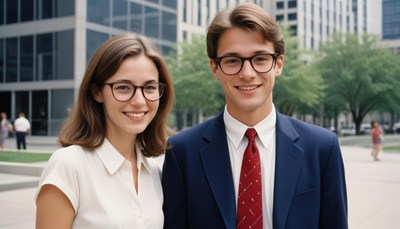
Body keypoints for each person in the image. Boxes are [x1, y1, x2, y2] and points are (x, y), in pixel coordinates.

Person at [162, 3, 348, 229]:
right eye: (232, 61)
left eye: (260, 58)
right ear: (214, 67)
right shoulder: (181, 152)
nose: (247, 73)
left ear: (278, 64)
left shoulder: (321, 148)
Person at [35, 33, 174, 228]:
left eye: (149, 87)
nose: (139, 101)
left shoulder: (156, 168)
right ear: (97, 92)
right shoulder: (68, 165)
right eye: (124, 87)